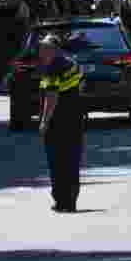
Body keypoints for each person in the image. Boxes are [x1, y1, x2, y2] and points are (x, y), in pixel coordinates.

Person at [37, 34, 86, 213]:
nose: (41, 51)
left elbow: (52, 96)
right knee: (72, 160)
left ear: (54, 49)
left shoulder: (52, 67)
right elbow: (81, 84)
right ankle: (71, 201)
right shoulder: (73, 64)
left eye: (45, 48)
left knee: (57, 161)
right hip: (75, 119)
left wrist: (44, 121)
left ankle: (61, 200)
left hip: (57, 122)